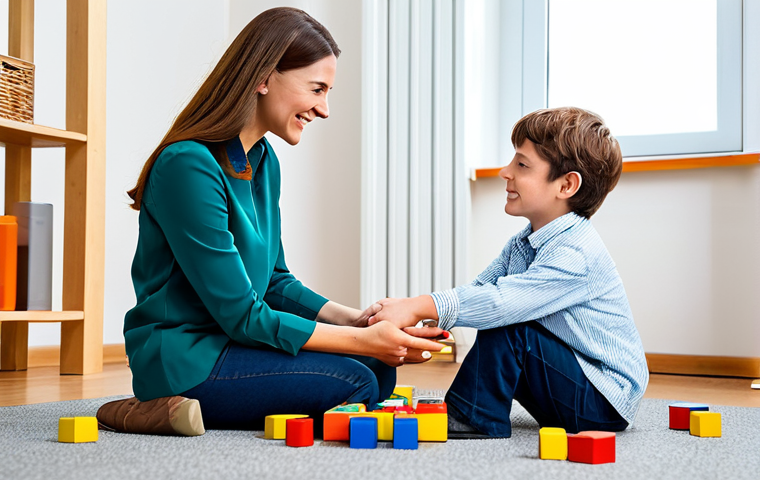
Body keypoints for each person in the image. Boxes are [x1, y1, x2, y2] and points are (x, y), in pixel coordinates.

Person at [97, 7, 443, 436]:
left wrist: (357, 323)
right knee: (356, 380)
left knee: (375, 368)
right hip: (188, 358)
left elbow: (276, 282)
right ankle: (148, 405)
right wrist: (362, 341)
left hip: (237, 344)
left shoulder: (263, 161)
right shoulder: (186, 165)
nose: (325, 109)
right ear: (263, 77)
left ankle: (171, 410)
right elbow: (242, 314)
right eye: (317, 89)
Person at [369, 107, 650, 438]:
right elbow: (479, 289)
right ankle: (478, 409)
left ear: (566, 185)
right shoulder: (523, 241)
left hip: (602, 400)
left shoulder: (576, 252)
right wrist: (427, 324)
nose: (505, 172)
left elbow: (501, 303)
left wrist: (418, 303)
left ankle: (474, 417)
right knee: (499, 315)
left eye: (521, 165)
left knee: (508, 322)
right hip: (575, 381)